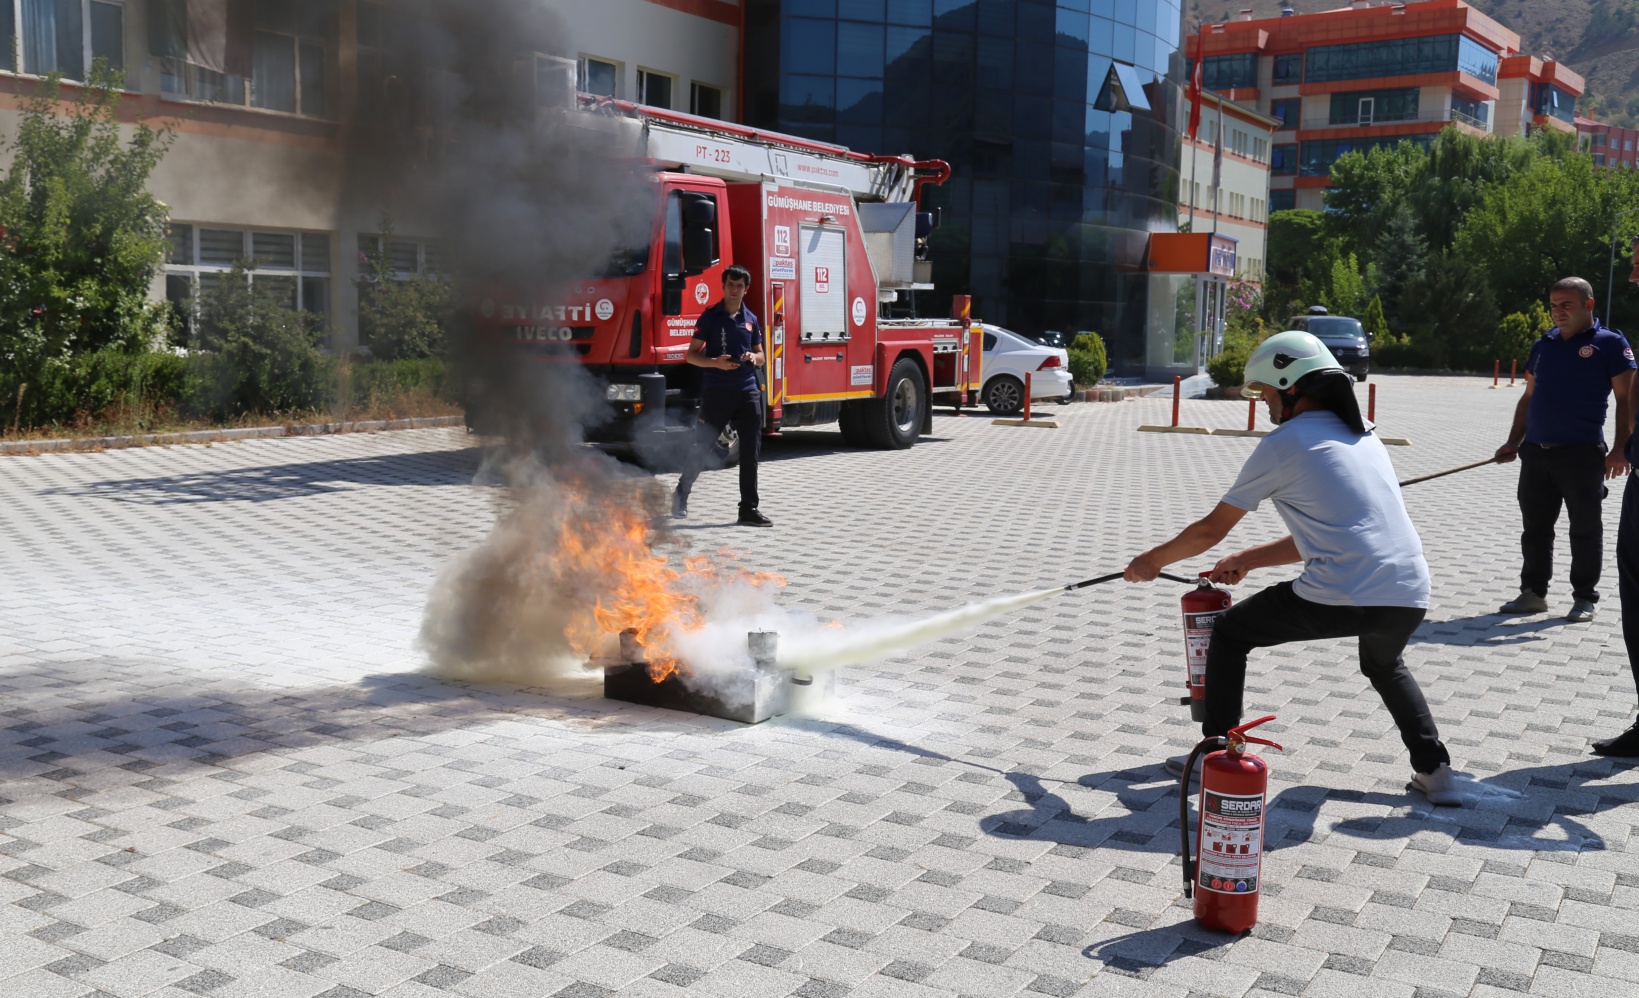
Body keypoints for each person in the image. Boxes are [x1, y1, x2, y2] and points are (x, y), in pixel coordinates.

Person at [1124, 331, 1464, 806]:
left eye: (1264, 393)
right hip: (1407, 591)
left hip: (1341, 589)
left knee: (1230, 633)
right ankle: (1437, 772)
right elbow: (1332, 535)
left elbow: (1209, 531)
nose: (1263, 404)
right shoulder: (1364, 433)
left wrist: (1151, 561)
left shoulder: (1285, 442)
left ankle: (1214, 753)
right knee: (1384, 664)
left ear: (1290, 388)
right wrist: (1247, 560)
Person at [1493, 277, 1634, 623]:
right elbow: (1529, 397)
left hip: (1582, 454)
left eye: (1566, 304)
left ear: (1588, 304)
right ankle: (1533, 594)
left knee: (1585, 529)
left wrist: (1620, 448)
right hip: (1536, 454)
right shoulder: (1545, 344)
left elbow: (1626, 399)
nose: (1558, 311)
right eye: (1554, 305)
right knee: (1535, 528)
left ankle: (1585, 597)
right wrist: (1514, 441)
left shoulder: (1609, 344)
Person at [672, 264, 772, 527]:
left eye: (740, 286)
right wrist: (715, 362)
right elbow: (691, 355)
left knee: (750, 453)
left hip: (747, 391)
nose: (735, 289)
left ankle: (748, 509)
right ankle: (681, 495)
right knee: (701, 447)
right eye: (730, 284)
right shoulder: (710, 317)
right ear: (724, 286)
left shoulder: (750, 318)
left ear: (746, 289)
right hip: (717, 392)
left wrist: (754, 357)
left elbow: (762, 356)